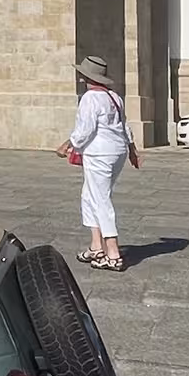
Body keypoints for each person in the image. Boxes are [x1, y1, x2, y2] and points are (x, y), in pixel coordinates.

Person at [56, 56, 140, 272]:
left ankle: (112, 253)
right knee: (89, 195)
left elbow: (86, 129)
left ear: (85, 76)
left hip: (99, 153)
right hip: (117, 151)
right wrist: (131, 148)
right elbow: (124, 124)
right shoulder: (114, 97)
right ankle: (96, 246)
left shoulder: (90, 98)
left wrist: (68, 144)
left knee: (101, 199)